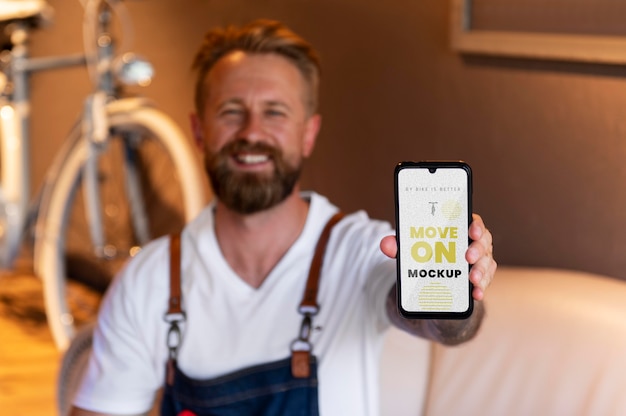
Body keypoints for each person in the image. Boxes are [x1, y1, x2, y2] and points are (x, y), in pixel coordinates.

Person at [68, 18, 497, 416]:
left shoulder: (360, 250)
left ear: (308, 133)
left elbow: (443, 327)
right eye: (231, 111)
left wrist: (456, 292)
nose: (252, 132)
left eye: (275, 112)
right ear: (199, 131)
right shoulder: (149, 279)